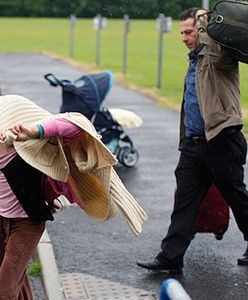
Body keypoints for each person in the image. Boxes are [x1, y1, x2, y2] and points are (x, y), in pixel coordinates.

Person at [0, 94, 147, 299]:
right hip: (2, 221)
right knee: (14, 277)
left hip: (26, 224)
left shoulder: (25, 142)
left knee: (5, 288)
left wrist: (36, 130)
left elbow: (77, 124)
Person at [137, 7, 248, 274]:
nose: (184, 37)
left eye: (189, 31)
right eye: (182, 33)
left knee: (238, 199)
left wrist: (203, 21)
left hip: (222, 139)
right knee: (184, 202)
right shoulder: (194, 61)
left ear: (203, 30)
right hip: (194, 145)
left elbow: (213, 47)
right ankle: (171, 257)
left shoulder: (219, 56)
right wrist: (185, 140)